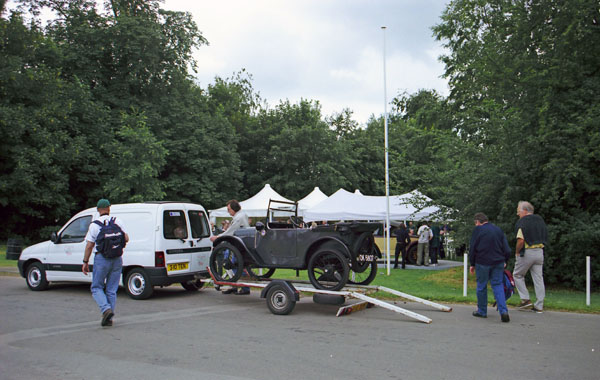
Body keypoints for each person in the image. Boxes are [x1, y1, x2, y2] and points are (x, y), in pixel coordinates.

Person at [82, 199, 129, 327]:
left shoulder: (94, 225)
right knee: (111, 290)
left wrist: (85, 261)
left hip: (101, 259)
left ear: (98, 210)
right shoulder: (117, 221)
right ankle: (109, 318)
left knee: (96, 287)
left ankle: (105, 309)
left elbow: (89, 245)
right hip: (117, 259)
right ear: (109, 207)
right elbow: (126, 238)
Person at [469, 213, 511, 322]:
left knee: (481, 285)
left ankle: (482, 311)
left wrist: (472, 263)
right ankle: (503, 311)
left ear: (478, 222)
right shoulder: (498, 230)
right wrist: (505, 260)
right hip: (498, 261)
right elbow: (507, 249)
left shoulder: (478, 230)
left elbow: (473, 248)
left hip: (482, 262)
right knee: (498, 285)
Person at [513, 201, 548, 313]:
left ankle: (525, 299)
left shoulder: (522, 222)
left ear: (525, 211)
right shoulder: (540, 220)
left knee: (517, 275)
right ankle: (539, 305)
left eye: (519, 211)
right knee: (538, 278)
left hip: (527, 252)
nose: (518, 214)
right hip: (539, 251)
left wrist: (517, 252)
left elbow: (521, 240)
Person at [210, 200, 250, 295]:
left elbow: (231, 231)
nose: (228, 211)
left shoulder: (238, 218)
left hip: (238, 246)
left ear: (234, 208)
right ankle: (235, 286)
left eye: (229, 209)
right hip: (239, 245)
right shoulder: (242, 215)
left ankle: (244, 288)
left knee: (235, 265)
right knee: (232, 266)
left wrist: (218, 237)